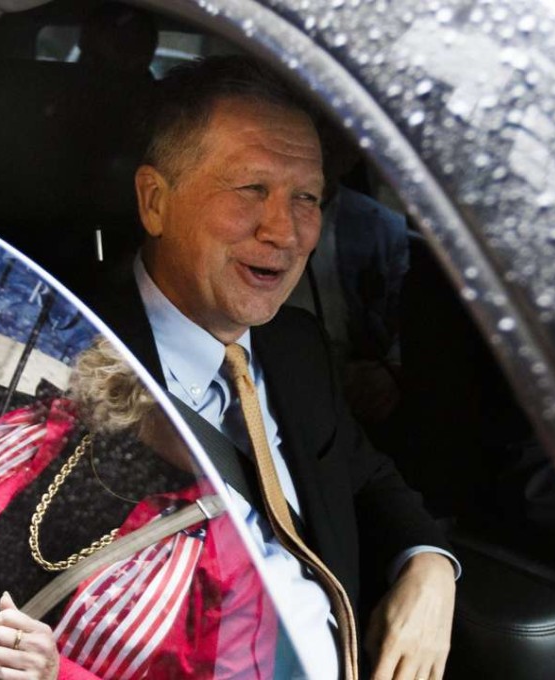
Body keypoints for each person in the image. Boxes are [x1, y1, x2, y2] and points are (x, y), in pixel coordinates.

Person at [86, 55, 460, 680]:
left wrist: (429, 565)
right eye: (250, 190)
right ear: (155, 201)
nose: (284, 231)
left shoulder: (295, 346)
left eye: (306, 197)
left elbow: (366, 478)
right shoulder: (66, 359)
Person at [0, 338, 287, 678]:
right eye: (210, 377)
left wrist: (57, 675)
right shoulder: (32, 431)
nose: (232, 404)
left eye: (249, 389)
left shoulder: (238, 561)